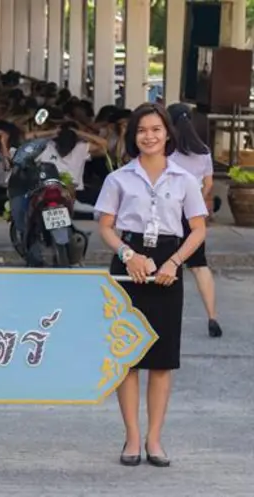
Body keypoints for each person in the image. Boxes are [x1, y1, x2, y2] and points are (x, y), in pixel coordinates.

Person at [94, 103, 207, 468]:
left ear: (167, 134)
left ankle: (155, 439)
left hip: (168, 264)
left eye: (156, 129)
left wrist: (174, 262)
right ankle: (131, 437)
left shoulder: (184, 179)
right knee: (128, 359)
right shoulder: (119, 179)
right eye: (142, 130)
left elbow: (199, 229)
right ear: (133, 137)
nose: (149, 136)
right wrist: (130, 255)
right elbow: (107, 227)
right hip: (130, 264)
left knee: (161, 360)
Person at [167, 103, 223, 338]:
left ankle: (164, 318)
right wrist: (197, 203)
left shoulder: (167, 151)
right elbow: (209, 183)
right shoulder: (204, 151)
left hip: (168, 212)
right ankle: (212, 317)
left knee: (165, 263)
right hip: (193, 216)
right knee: (199, 266)